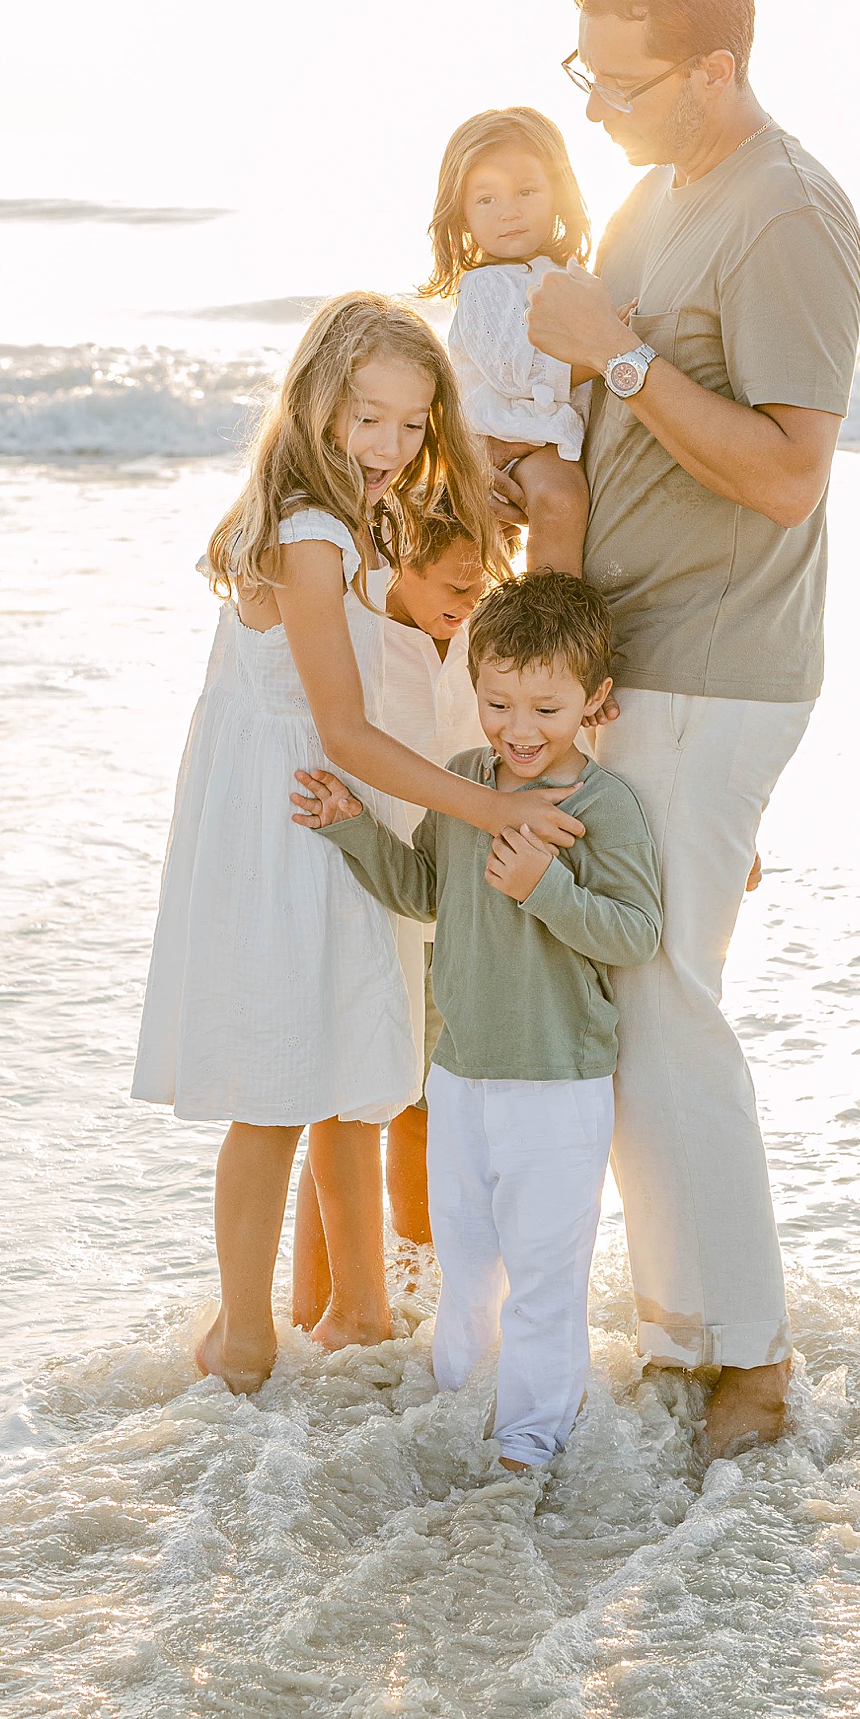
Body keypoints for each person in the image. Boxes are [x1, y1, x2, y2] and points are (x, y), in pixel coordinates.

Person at [524, 0, 860, 1461]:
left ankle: (750, 1363)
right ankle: (687, 1325)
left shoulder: (786, 214)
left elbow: (791, 477)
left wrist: (614, 364)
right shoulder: (653, 196)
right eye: (579, 73)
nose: (591, 107)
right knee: (631, 996)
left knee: (662, 995)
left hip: (719, 670)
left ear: (714, 68)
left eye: (620, 80)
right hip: (629, 664)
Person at [131, 293, 585, 1398]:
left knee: (329, 1066)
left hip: (302, 810)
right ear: (318, 403)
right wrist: (488, 810)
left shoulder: (335, 512)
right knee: (276, 1084)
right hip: (296, 813)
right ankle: (241, 1336)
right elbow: (342, 724)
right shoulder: (311, 531)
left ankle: (324, 1313)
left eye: (412, 423)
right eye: (367, 418)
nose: (389, 447)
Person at [294, 572, 662, 1475]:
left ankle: (532, 1439)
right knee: (465, 1259)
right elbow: (427, 890)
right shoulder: (464, 783)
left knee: (544, 1277)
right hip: (457, 1074)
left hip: (558, 1084)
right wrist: (354, 830)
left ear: (593, 702)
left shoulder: (604, 807)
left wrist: (546, 890)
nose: (519, 727)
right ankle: (457, 1402)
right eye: (498, 701)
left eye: (546, 705)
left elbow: (637, 933)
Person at [290, 499, 487, 1321]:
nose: (468, 599)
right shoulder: (364, 637)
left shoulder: (486, 638)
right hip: (377, 897)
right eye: (452, 584)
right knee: (357, 1104)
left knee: (428, 1106)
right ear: (400, 562)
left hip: (462, 909)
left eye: (481, 584)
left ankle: (416, 1290)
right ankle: (312, 1309)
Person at [423, 108, 594, 576]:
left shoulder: (569, 275)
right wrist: (605, 354)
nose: (510, 211)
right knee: (558, 499)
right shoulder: (484, 287)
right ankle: (551, 610)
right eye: (487, 200)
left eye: (526, 191)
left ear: (558, 194)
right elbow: (519, 372)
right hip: (512, 437)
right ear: (462, 215)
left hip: (551, 435)